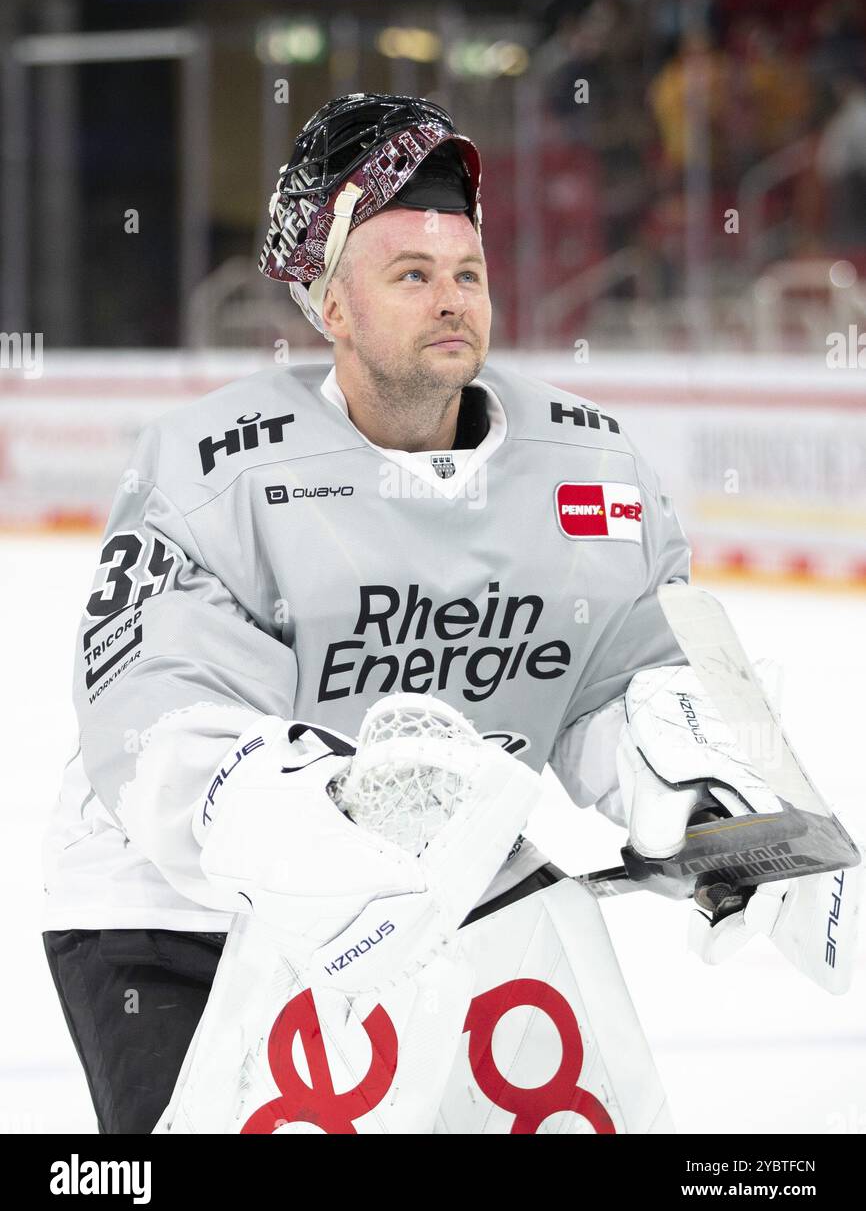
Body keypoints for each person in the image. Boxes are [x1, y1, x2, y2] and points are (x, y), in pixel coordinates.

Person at [42, 94, 831, 1136]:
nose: (450, 299)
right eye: (409, 276)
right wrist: (292, 822)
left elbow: (617, 677)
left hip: (437, 905)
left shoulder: (582, 465)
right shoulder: (210, 467)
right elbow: (156, 711)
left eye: (465, 273)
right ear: (331, 308)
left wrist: (696, 795)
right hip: (175, 917)